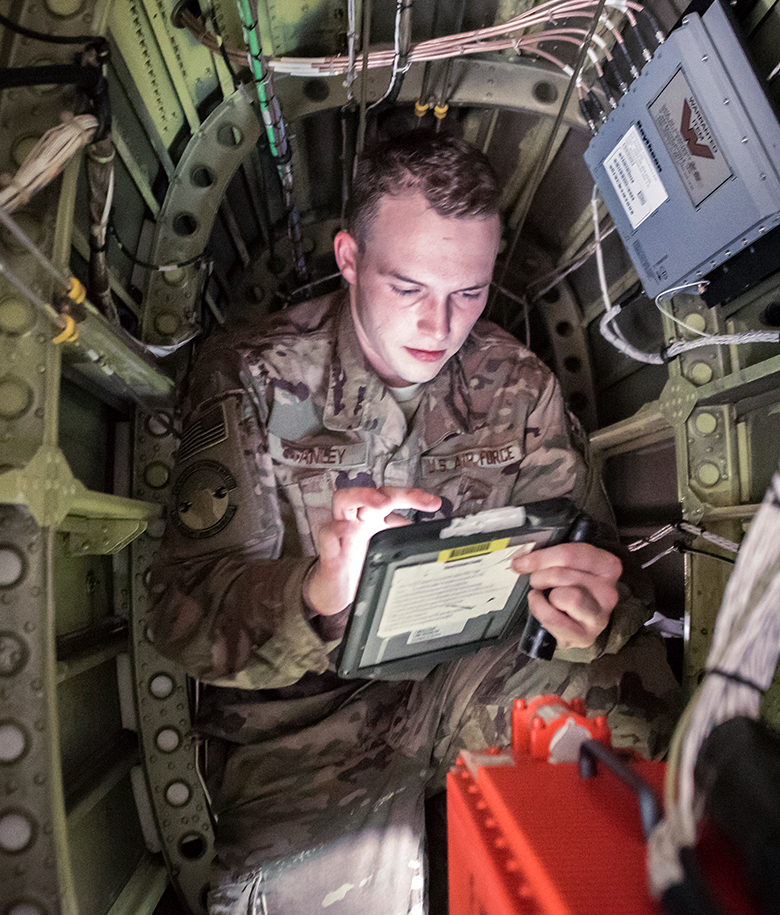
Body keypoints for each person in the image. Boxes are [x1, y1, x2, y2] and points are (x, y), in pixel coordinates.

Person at [149, 130, 682, 915]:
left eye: (469, 292)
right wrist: (318, 590)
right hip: (304, 728)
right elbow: (186, 616)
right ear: (349, 258)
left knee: (643, 779)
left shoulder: (518, 384)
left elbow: (590, 564)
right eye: (408, 287)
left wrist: (592, 614)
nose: (441, 324)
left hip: (473, 673)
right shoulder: (252, 378)